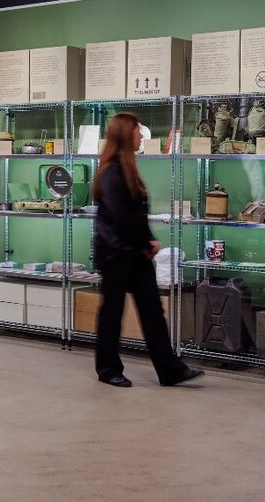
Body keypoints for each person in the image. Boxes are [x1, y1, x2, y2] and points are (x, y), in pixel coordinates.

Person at [92, 112, 204, 388]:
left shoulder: (126, 168)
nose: (141, 135)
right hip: (117, 254)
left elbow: (135, 216)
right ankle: (107, 370)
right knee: (112, 312)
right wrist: (146, 243)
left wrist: (148, 241)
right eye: (137, 131)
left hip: (134, 252)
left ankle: (170, 370)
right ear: (124, 135)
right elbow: (121, 218)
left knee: (152, 311)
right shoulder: (111, 173)